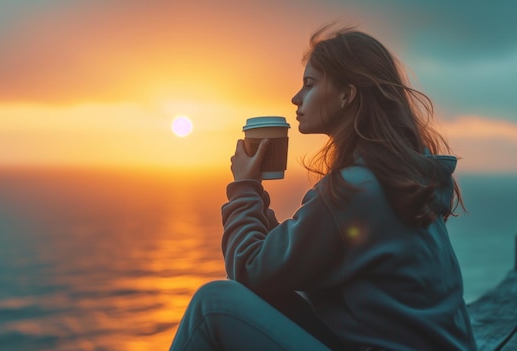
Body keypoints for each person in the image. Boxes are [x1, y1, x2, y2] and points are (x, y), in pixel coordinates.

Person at [169, 24, 477, 351]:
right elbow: (291, 260)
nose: (296, 97)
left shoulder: (354, 190)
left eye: (309, 84)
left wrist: (244, 186)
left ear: (347, 93)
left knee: (213, 303)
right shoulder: (404, 177)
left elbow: (247, 269)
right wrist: (256, 197)